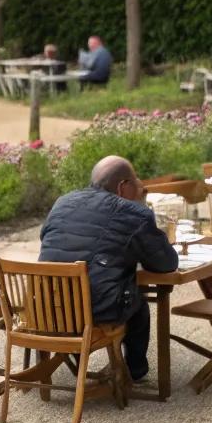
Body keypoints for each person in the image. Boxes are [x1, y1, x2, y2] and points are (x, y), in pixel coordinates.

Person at [39, 155, 177, 382]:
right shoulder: (133, 213)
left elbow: (46, 238)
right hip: (93, 312)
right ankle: (134, 370)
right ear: (123, 186)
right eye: (137, 183)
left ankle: (74, 361)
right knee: (137, 302)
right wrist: (140, 207)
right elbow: (166, 264)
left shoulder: (63, 202)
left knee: (110, 286)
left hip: (47, 308)